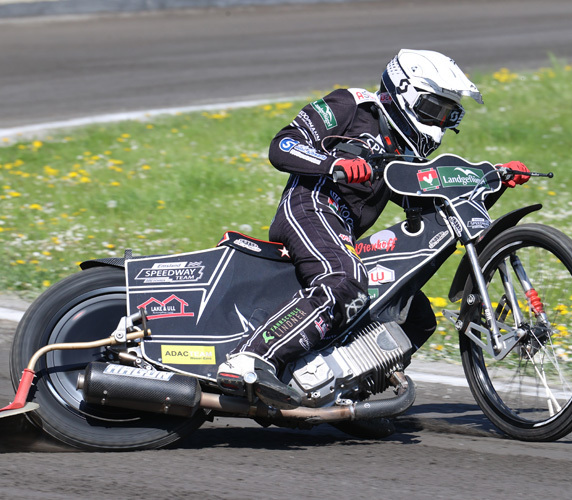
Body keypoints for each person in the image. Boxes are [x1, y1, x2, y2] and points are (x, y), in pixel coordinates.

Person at [216, 49, 530, 408]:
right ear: (405, 91)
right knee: (345, 282)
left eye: (449, 115)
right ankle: (250, 361)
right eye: (435, 110)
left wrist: (495, 182)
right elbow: (283, 145)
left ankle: (347, 392)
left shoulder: (407, 154)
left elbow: (435, 209)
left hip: (343, 232)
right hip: (311, 207)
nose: (440, 123)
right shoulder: (351, 104)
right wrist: (334, 164)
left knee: (416, 314)